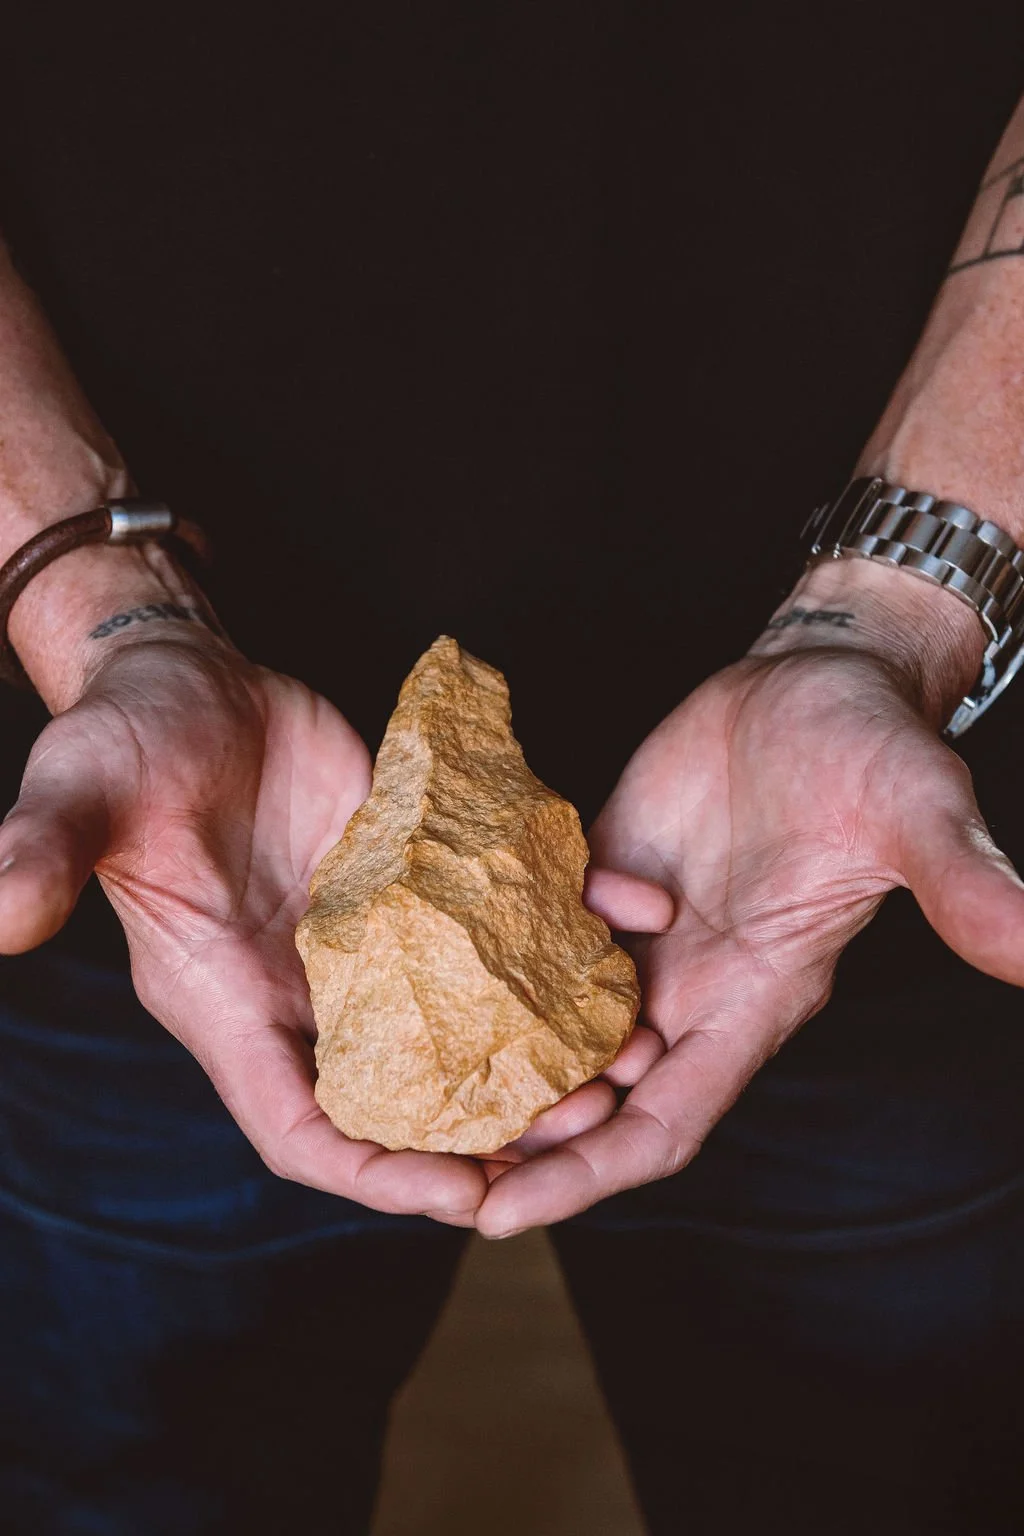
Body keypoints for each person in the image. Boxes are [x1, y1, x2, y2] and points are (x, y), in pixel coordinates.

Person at [2, 6, 1024, 1531]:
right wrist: (84, 600)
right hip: (169, 838)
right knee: (153, 1475)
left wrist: (900, 617)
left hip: (857, 832)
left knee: (875, 1477)